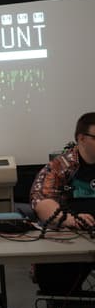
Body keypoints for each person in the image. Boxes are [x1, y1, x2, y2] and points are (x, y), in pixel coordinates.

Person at [30, 112, 95, 295]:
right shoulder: (60, 166)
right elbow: (41, 201)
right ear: (81, 138)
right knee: (56, 284)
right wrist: (71, 220)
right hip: (68, 244)